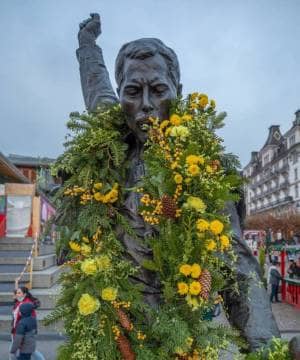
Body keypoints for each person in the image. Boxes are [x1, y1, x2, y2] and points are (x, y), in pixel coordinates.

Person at [75, 13, 280, 350]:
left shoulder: (202, 170)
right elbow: (96, 88)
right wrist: (87, 47)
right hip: (115, 328)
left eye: (157, 91)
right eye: (132, 91)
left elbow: (237, 265)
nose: (144, 106)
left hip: (178, 337)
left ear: (178, 93)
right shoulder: (111, 142)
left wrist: (269, 349)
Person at [10, 287, 45, 360]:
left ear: (24, 294)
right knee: (29, 350)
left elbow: (31, 320)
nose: (17, 294)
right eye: (16, 293)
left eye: (19, 293)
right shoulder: (18, 302)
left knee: (18, 350)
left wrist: (25, 332)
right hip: (16, 330)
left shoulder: (27, 304)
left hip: (22, 332)